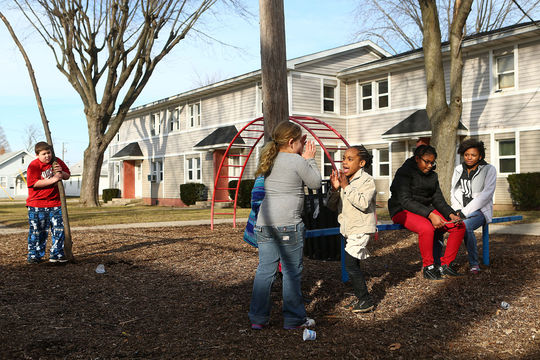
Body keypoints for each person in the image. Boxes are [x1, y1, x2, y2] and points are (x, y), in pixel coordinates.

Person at [248, 121, 321, 330]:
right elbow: (315, 183)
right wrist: (309, 160)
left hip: (264, 224)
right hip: (288, 225)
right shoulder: (297, 161)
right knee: (291, 272)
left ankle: (258, 319)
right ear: (291, 142)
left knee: (265, 271)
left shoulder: (268, 160)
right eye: (300, 141)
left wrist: (299, 152)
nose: (302, 144)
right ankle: (294, 319)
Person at [388, 145, 465, 280]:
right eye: (426, 162)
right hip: (402, 209)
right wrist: (430, 214)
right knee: (427, 228)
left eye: (432, 162)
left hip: (424, 209)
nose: (430, 165)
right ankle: (429, 268)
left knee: (458, 226)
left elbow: (438, 200)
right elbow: (405, 200)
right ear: (417, 159)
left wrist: (450, 214)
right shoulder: (404, 173)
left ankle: (445, 265)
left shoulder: (432, 176)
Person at [327, 145, 377, 313]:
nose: (345, 162)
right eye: (343, 158)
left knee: (350, 265)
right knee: (353, 264)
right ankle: (360, 298)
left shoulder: (367, 181)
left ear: (361, 163)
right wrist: (335, 189)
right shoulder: (343, 179)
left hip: (361, 228)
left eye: (350, 159)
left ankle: (366, 300)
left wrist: (346, 186)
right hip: (348, 228)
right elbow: (331, 205)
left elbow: (363, 203)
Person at [450, 139, 496, 275]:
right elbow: (454, 191)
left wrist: (464, 212)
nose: (469, 157)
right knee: (442, 225)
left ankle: (474, 263)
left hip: (480, 211)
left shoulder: (489, 170)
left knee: (466, 226)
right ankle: (445, 262)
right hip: (461, 210)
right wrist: (457, 209)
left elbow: (486, 195)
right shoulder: (459, 169)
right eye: (466, 154)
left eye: (473, 155)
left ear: (480, 156)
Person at [26, 141, 71, 264]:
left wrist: (61, 172)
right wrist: (54, 179)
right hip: (37, 204)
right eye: (44, 154)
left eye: (49, 152)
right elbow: (34, 183)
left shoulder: (56, 161)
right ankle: (34, 255)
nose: (47, 156)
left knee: (58, 230)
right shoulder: (34, 166)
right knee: (38, 231)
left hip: (55, 203)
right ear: (37, 155)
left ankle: (56, 254)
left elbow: (67, 175)